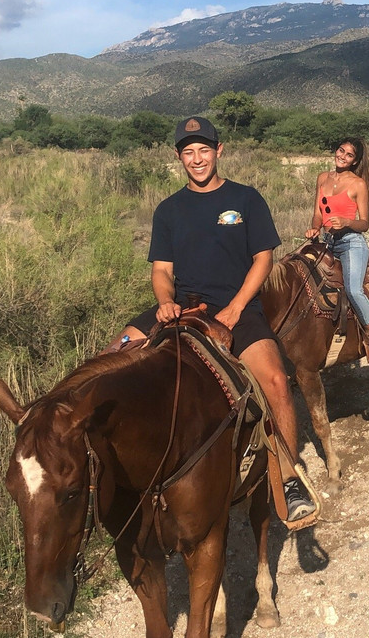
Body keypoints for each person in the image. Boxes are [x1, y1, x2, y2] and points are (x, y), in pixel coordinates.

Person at [113, 116, 316, 525]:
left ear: (219, 151)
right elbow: (161, 270)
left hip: (236, 307)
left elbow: (263, 259)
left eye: (204, 150)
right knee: (112, 357)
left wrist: (239, 306)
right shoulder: (168, 210)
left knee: (276, 381)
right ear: (178, 157)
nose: (197, 158)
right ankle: (115, 480)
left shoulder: (245, 199)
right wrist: (164, 301)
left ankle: (289, 477)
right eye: (188, 152)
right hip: (182, 305)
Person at [305, 137, 369, 364]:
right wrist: (315, 227)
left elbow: (365, 223)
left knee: (353, 289)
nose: (342, 156)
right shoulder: (322, 177)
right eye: (341, 150)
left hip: (351, 242)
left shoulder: (358, 184)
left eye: (349, 155)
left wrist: (346, 222)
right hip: (328, 241)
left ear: (355, 161)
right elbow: (318, 212)